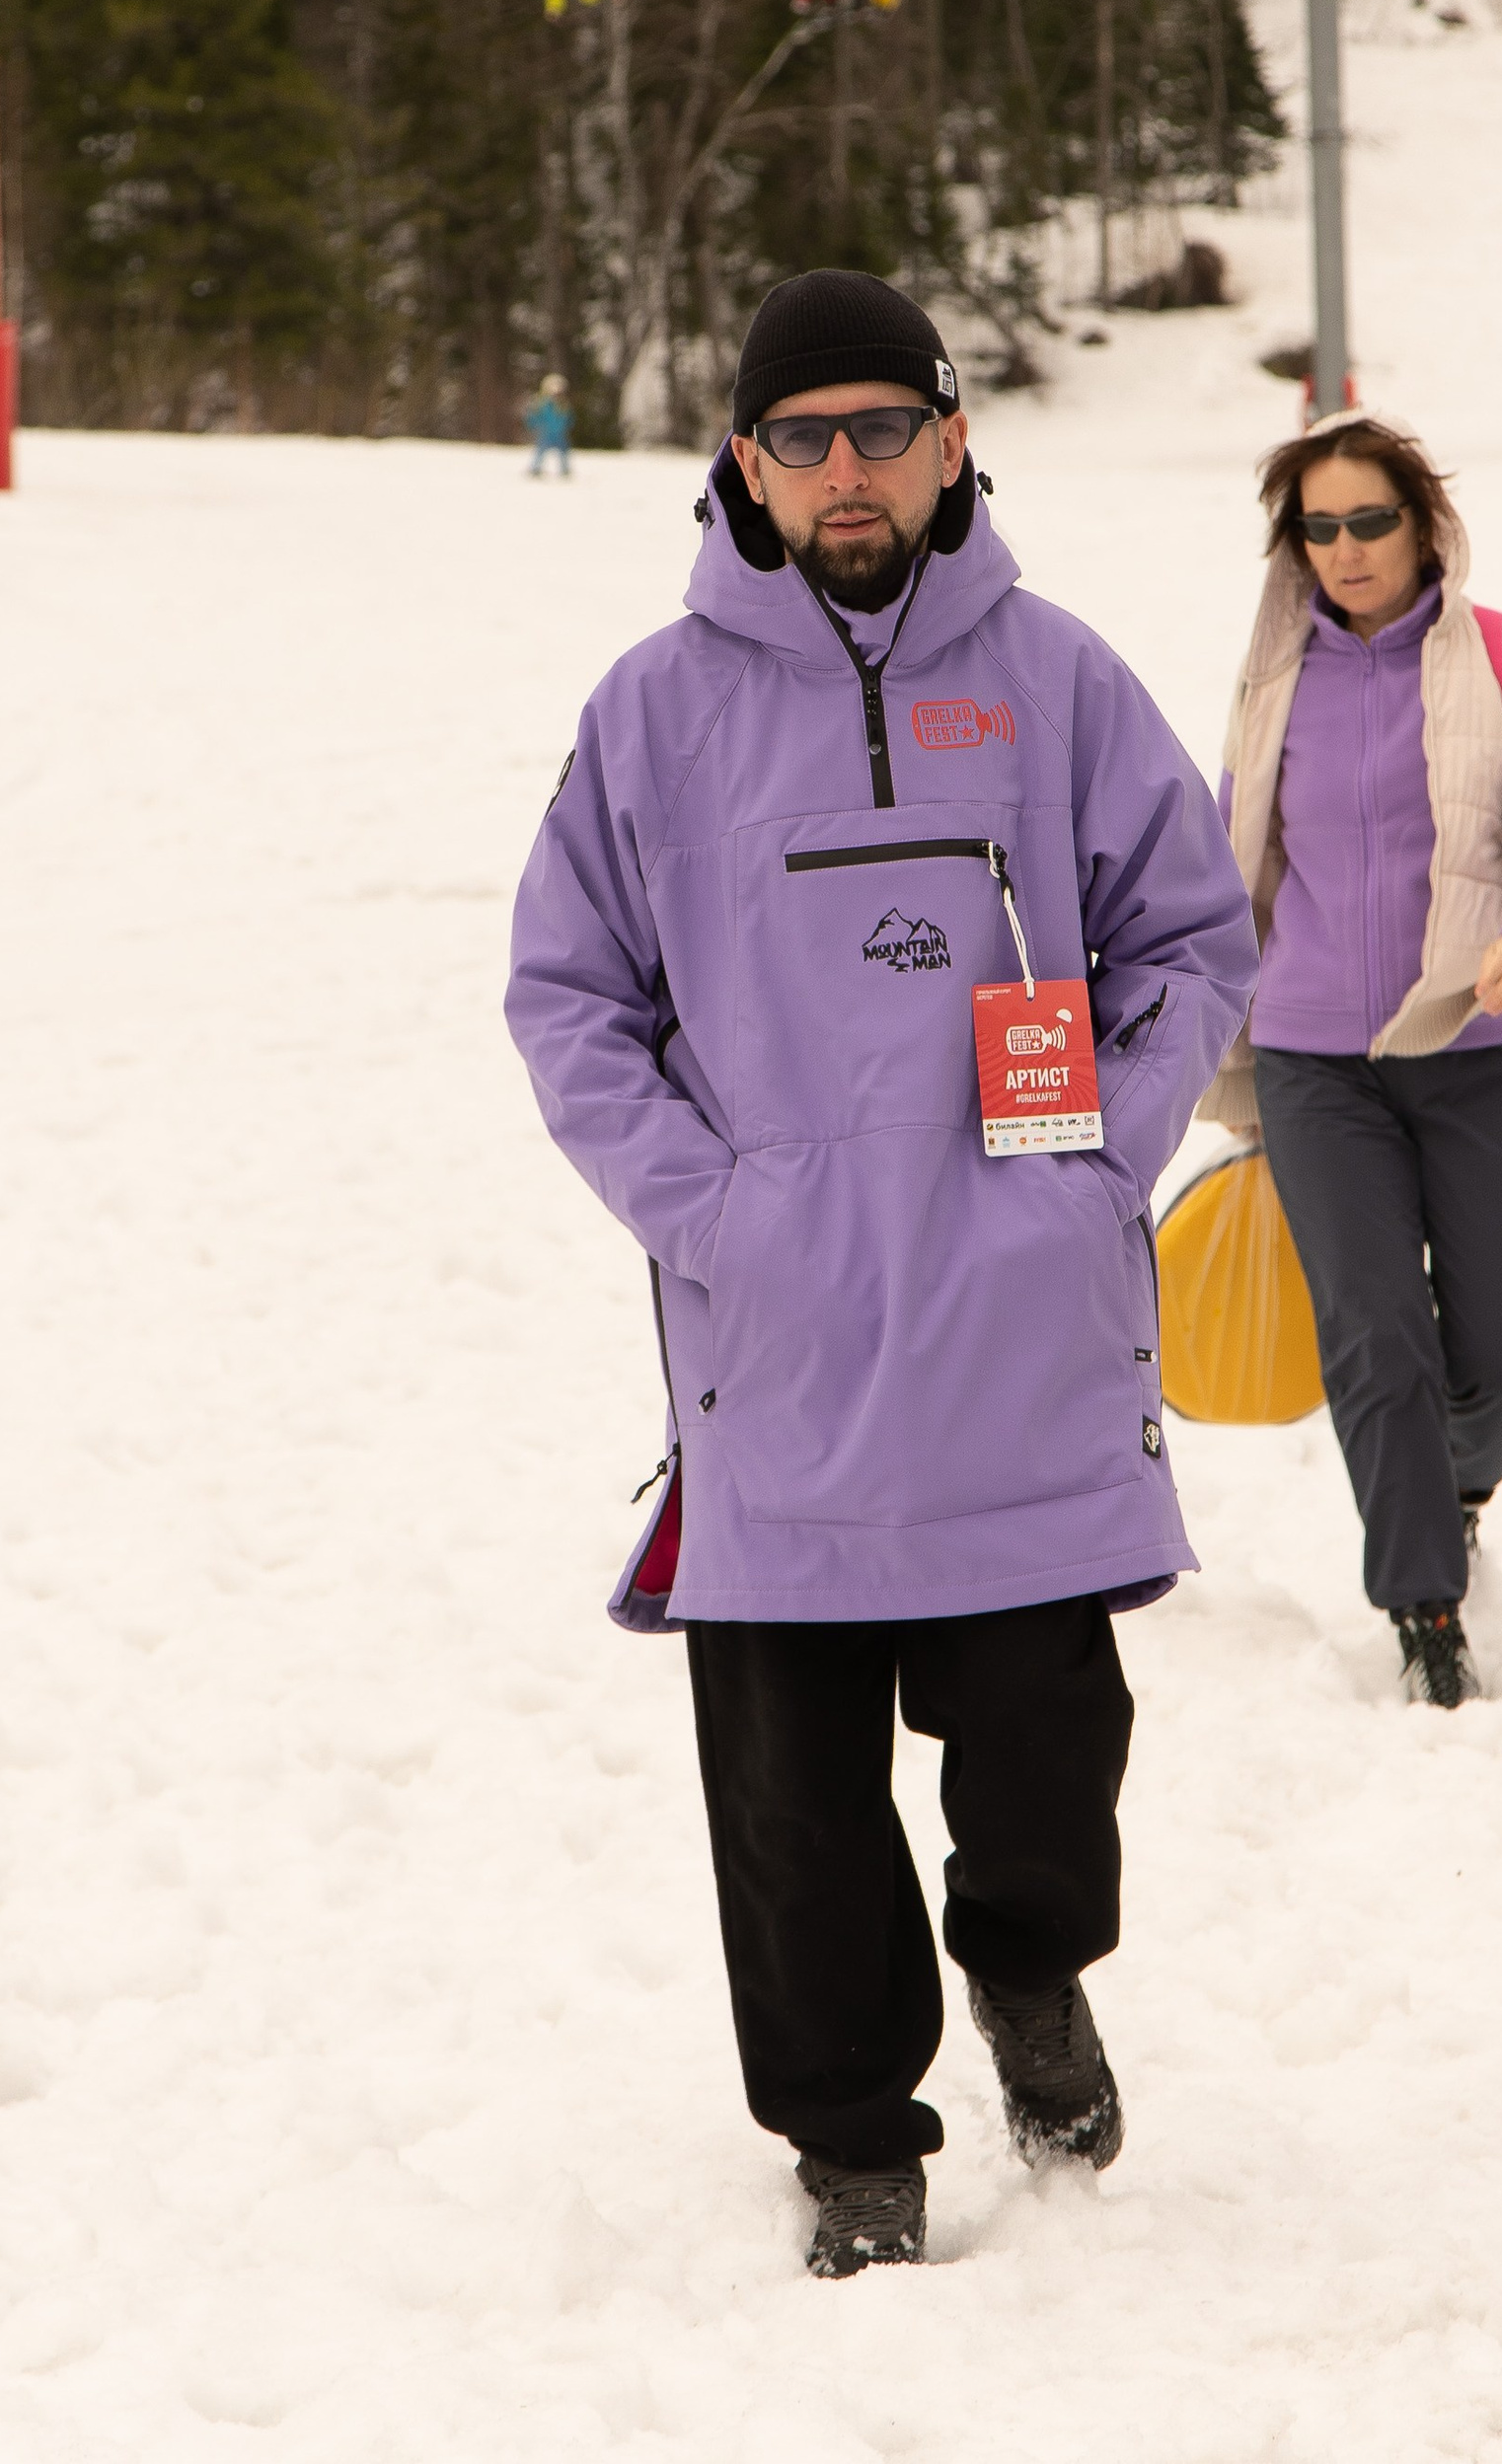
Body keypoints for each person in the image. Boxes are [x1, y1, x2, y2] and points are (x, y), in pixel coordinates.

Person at [506, 268, 1256, 2278]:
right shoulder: (649, 714)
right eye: (800, 436)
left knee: (1040, 1769)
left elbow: (1189, 939)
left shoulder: (1058, 683)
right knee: (794, 1799)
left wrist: (1096, 1142)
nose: (845, 472)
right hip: (784, 1345)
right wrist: (712, 1208)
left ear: (949, 443)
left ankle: (1025, 1966)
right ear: (740, 464)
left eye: (881, 429)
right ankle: (851, 2139)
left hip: (1017, 1322)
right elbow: (568, 999)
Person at [1203, 412, 1502, 1711]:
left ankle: (1454, 1482)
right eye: (1317, 527)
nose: (1345, 548)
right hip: (1318, 1060)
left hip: (1479, 1044)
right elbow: (1234, 872)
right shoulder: (1275, 685)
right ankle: (1424, 1606)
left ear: (1424, 524)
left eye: (1368, 520)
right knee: (1375, 1337)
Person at [524, 372, 573, 478]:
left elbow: (568, 417)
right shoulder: (542, 404)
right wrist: (533, 424)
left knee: (563, 452)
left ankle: (565, 469)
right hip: (546, 433)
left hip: (559, 434)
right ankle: (535, 468)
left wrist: (568, 424)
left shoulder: (563, 405)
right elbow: (534, 416)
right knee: (540, 451)